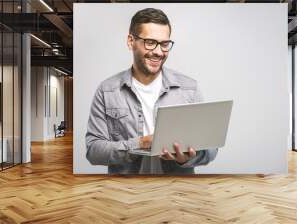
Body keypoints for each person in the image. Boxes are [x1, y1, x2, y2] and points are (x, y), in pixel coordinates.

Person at [85, 8, 217, 174]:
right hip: (126, 195)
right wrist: (140, 143)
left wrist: (187, 158)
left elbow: (211, 150)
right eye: (150, 42)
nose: (158, 52)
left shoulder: (189, 89)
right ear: (131, 41)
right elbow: (93, 151)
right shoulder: (107, 90)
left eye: (164, 44)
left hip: (177, 194)